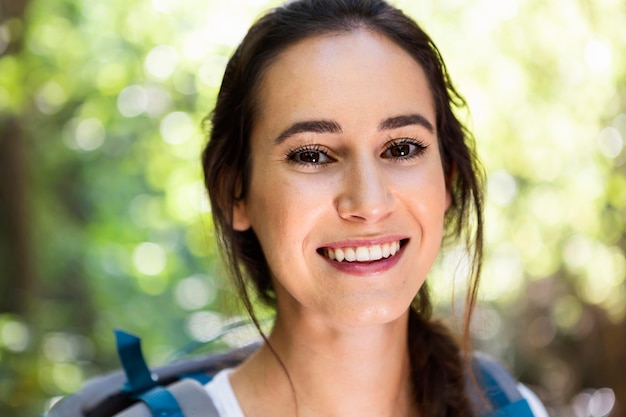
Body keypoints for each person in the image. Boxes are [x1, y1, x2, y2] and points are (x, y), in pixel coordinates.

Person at [200, 1, 547, 416]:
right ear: (235, 194)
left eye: (402, 148)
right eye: (312, 155)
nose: (369, 203)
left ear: (447, 179)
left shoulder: (515, 408)